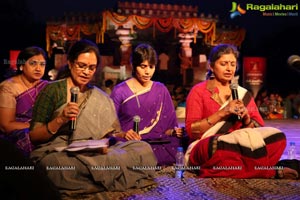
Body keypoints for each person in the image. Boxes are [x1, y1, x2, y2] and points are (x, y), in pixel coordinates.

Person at [29, 39, 157, 198]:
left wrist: (124, 135)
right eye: (81, 66)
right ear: (70, 63)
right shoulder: (52, 90)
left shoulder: (100, 96)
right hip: (62, 152)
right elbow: (34, 136)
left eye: (91, 68)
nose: (86, 72)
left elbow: (111, 133)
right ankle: (107, 180)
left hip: (94, 152)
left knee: (142, 149)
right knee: (53, 166)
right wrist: (61, 119)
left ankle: (93, 182)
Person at [185, 44, 298, 179]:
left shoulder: (242, 94)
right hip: (209, 146)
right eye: (224, 64)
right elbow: (192, 131)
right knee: (219, 146)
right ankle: (266, 171)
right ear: (211, 66)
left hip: (239, 148)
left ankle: (235, 169)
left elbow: (258, 132)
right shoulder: (199, 91)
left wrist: (246, 119)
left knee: (277, 137)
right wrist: (223, 112)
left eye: (232, 64)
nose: (229, 69)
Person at [110, 43, 182, 166]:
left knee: (179, 144)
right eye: (143, 66)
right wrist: (123, 134)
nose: (147, 72)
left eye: (151, 66)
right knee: (118, 148)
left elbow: (167, 129)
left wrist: (174, 132)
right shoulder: (120, 91)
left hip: (157, 141)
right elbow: (109, 128)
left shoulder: (160, 89)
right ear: (133, 65)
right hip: (130, 141)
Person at [0, 46, 48, 156]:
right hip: (16, 134)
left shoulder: (47, 86)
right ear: (21, 66)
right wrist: (35, 127)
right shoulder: (8, 88)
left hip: (43, 129)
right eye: (33, 63)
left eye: (42, 64)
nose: (38, 68)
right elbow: (5, 126)